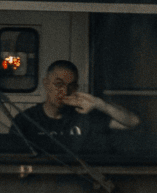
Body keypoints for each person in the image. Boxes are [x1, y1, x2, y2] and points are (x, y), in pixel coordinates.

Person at [10, 59, 140, 141]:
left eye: (71, 86)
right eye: (59, 84)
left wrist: (99, 104)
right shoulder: (25, 120)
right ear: (46, 84)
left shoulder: (85, 116)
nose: (65, 91)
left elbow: (133, 122)